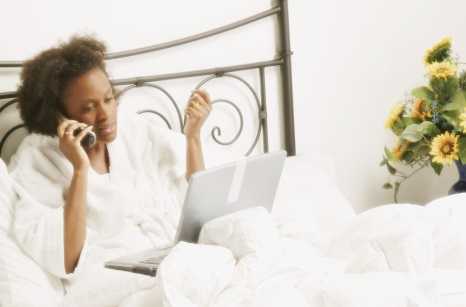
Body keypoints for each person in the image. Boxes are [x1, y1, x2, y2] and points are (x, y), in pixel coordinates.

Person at [9, 35, 212, 306]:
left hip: (160, 260)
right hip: (106, 282)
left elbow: (198, 206)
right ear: (57, 115)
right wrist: (80, 169)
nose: (106, 115)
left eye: (108, 99)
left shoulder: (133, 131)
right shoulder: (38, 159)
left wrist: (193, 138)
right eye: (88, 108)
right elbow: (66, 259)